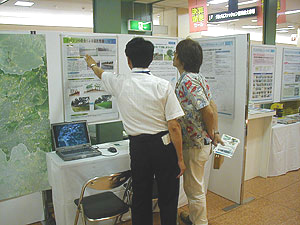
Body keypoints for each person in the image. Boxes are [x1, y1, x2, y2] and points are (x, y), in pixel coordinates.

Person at [85, 37, 186, 225]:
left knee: (141, 195)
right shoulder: (162, 85)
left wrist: (91, 64)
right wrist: (180, 158)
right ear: (151, 59)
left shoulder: (119, 82)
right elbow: (174, 126)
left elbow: (101, 73)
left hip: (138, 147)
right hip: (163, 146)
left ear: (128, 60)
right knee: (168, 195)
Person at [173, 38, 224, 225]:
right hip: (201, 143)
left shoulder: (187, 81)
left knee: (194, 190)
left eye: (176, 53)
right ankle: (194, 218)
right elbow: (213, 106)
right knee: (194, 186)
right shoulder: (198, 78)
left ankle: (200, 222)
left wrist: (212, 132)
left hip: (194, 143)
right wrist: (214, 132)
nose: (174, 56)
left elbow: (208, 110)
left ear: (183, 59)